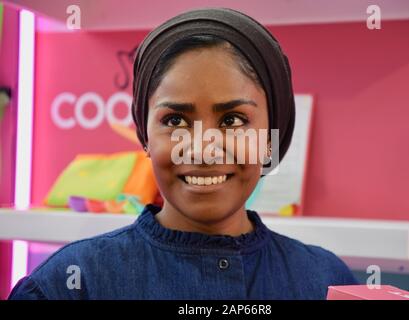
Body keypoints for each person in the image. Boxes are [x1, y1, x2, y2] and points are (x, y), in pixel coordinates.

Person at [9, 8, 358, 300]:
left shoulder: (326, 282)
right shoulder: (69, 286)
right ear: (144, 136)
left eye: (233, 120)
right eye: (175, 120)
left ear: (271, 138)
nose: (203, 149)